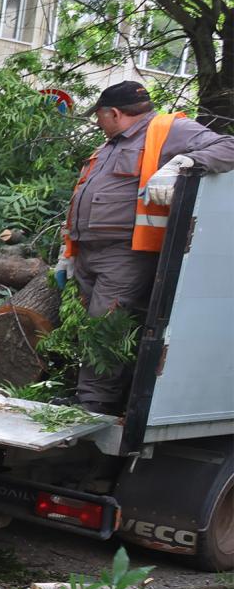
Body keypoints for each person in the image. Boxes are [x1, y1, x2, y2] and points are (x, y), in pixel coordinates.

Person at [59, 80, 234, 412]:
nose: (97, 123)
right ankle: (87, 394)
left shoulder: (168, 129)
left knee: (106, 324)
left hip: (126, 252)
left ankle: (96, 402)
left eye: (98, 116)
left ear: (113, 113)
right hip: (88, 251)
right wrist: (67, 252)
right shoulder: (108, 146)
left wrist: (181, 165)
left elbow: (229, 147)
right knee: (88, 325)